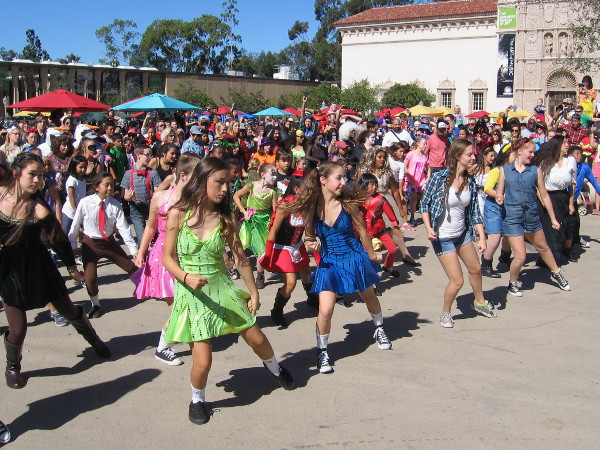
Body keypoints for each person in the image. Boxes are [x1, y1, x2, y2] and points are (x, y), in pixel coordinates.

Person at [162, 157, 294, 425]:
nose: (226, 189)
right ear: (202, 180)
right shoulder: (178, 212)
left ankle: (275, 368)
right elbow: (167, 257)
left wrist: (254, 292)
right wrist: (185, 276)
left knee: (256, 337)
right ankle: (197, 399)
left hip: (221, 287)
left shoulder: (224, 218)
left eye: (229, 183)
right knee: (203, 360)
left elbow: (240, 258)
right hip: (192, 295)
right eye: (220, 182)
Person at [0, 154, 110, 390]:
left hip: (40, 269)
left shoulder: (38, 207)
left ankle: (94, 340)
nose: (38, 180)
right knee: (18, 329)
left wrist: (72, 269)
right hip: (10, 272)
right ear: (16, 173)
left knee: (69, 310)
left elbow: (59, 240)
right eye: (33, 174)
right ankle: (12, 366)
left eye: (41, 175)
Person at [286, 161, 392, 375]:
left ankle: (379, 328)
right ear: (323, 180)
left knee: (368, 296)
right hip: (329, 262)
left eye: (344, 178)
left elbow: (362, 231)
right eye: (339, 178)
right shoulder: (311, 208)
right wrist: (311, 243)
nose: (344, 182)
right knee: (325, 309)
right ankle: (322, 351)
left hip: (354, 257)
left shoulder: (348, 205)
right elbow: (308, 235)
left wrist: (371, 255)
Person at [133, 153, 201, 365]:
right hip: (163, 257)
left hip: (185, 256)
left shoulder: (196, 199)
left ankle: (178, 343)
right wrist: (141, 252)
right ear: (183, 175)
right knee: (180, 308)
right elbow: (151, 226)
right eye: (196, 177)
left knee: (185, 306)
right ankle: (163, 347)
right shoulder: (160, 197)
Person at [420, 139, 496, 328]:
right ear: (457, 157)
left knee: (476, 269)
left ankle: (479, 302)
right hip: (442, 237)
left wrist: (482, 237)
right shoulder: (439, 178)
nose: (473, 157)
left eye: (473, 154)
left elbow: (474, 212)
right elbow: (424, 204)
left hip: (462, 234)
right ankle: (446, 312)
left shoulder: (469, 180)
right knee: (457, 281)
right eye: (469, 154)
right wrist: (429, 228)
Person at [495, 138, 571, 296]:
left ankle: (557, 273)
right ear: (520, 151)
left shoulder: (535, 170)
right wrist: (499, 197)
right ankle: (513, 282)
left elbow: (544, 195)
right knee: (521, 256)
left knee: (543, 248)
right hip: (513, 218)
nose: (532, 154)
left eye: (533, 152)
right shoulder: (505, 171)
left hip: (532, 216)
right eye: (530, 151)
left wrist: (553, 218)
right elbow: (499, 192)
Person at [69, 172, 141, 318]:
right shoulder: (85, 202)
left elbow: (123, 228)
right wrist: (72, 245)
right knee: (90, 278)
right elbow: (75, 225)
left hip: (108, 242)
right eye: (106, 185)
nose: (109, 188)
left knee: (130, 267)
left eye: (112, 185)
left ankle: (147, 289)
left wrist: (133, 249)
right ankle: (96, 305)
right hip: (90, 243)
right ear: (96, 187)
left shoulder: (115, 205)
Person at [259, 177, 316, 327]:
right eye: (307, 190)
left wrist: (312, 241)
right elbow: (274, 230)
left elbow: (309, 230)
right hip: (282, 247)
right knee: (290, 283)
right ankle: (277, 310)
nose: (311, 193)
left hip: (297, 245)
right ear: (297, 190)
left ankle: (312, 299)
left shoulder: (308, 206)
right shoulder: (285, 205)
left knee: (307, 273)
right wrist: (268, 253)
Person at [532, 136, 577, 262]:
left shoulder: (571, 161)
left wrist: (571, 203)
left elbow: (573, 183)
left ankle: (564, 251)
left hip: (563, 196)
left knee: (565, 227)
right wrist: (542, 202)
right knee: (550, 230)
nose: (567, 144)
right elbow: (538, 184)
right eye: (564, 143)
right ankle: (546, 258)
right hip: (548, 197)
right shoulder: (546, 162)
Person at [233, 163, 278, 289]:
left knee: (262, 250)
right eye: (272, 174)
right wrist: (244, 211)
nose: (275, 177)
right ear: (262, 175)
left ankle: (260, 275)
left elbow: (275, 210)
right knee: (243, 244)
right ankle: (236, 267)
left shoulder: (272, 192)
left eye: (276, 174)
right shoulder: (251, 186)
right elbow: (236, 196)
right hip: (251, 220)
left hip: (265, 222)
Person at [121, 145, 162, 246]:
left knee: (158, 237)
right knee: (142, 240)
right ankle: (142, 259)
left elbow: (158, 191)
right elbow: (125, 196)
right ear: (138, 155)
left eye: (151, 155)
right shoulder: (128, 174)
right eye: (147, 155)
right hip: (136, 209)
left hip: (151, 207)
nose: (150, 158)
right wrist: (128, 198)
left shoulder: (153, 173)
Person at [405, 137, 429, 226]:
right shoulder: (411, 154)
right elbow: (404, 165)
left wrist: (428, 176)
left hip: (421, 180)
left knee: (426, 196)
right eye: (424, 144)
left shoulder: (425, 156)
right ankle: (412, 217)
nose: (425, 146)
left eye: (426, 144)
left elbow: (427, 167)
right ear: (418, 143)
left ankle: (428, 216)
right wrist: (409, 176)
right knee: (413, 199)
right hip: (412, 180)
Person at [62, 155, 88, 235]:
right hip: (69, 212)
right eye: (80, 167)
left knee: (77, 231)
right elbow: (71, 197)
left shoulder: (83, 180)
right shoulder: (72, 180)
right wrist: (75, 210)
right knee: (66, 232)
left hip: (79, 210)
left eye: (85, 167)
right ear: (74, 166)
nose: (83, 170)